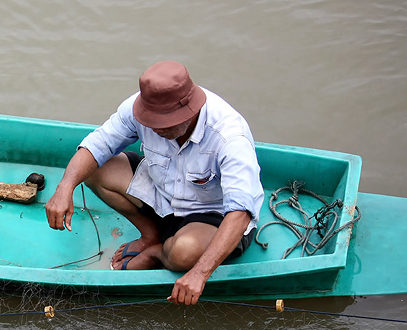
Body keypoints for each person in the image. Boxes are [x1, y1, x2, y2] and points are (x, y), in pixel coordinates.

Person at [44, 61, 264, 305]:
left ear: (190, 112)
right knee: (94, 169)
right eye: (150, 121)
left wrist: (200, 273)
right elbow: (97, 145)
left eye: (163, 124)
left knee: (183, 253)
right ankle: (151, 235)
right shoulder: (138, 108)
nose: (154, 128)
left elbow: (240, 212)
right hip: (163, 194)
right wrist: (65, 187)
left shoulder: (230, 137)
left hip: (211, 215)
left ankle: (156, 252)